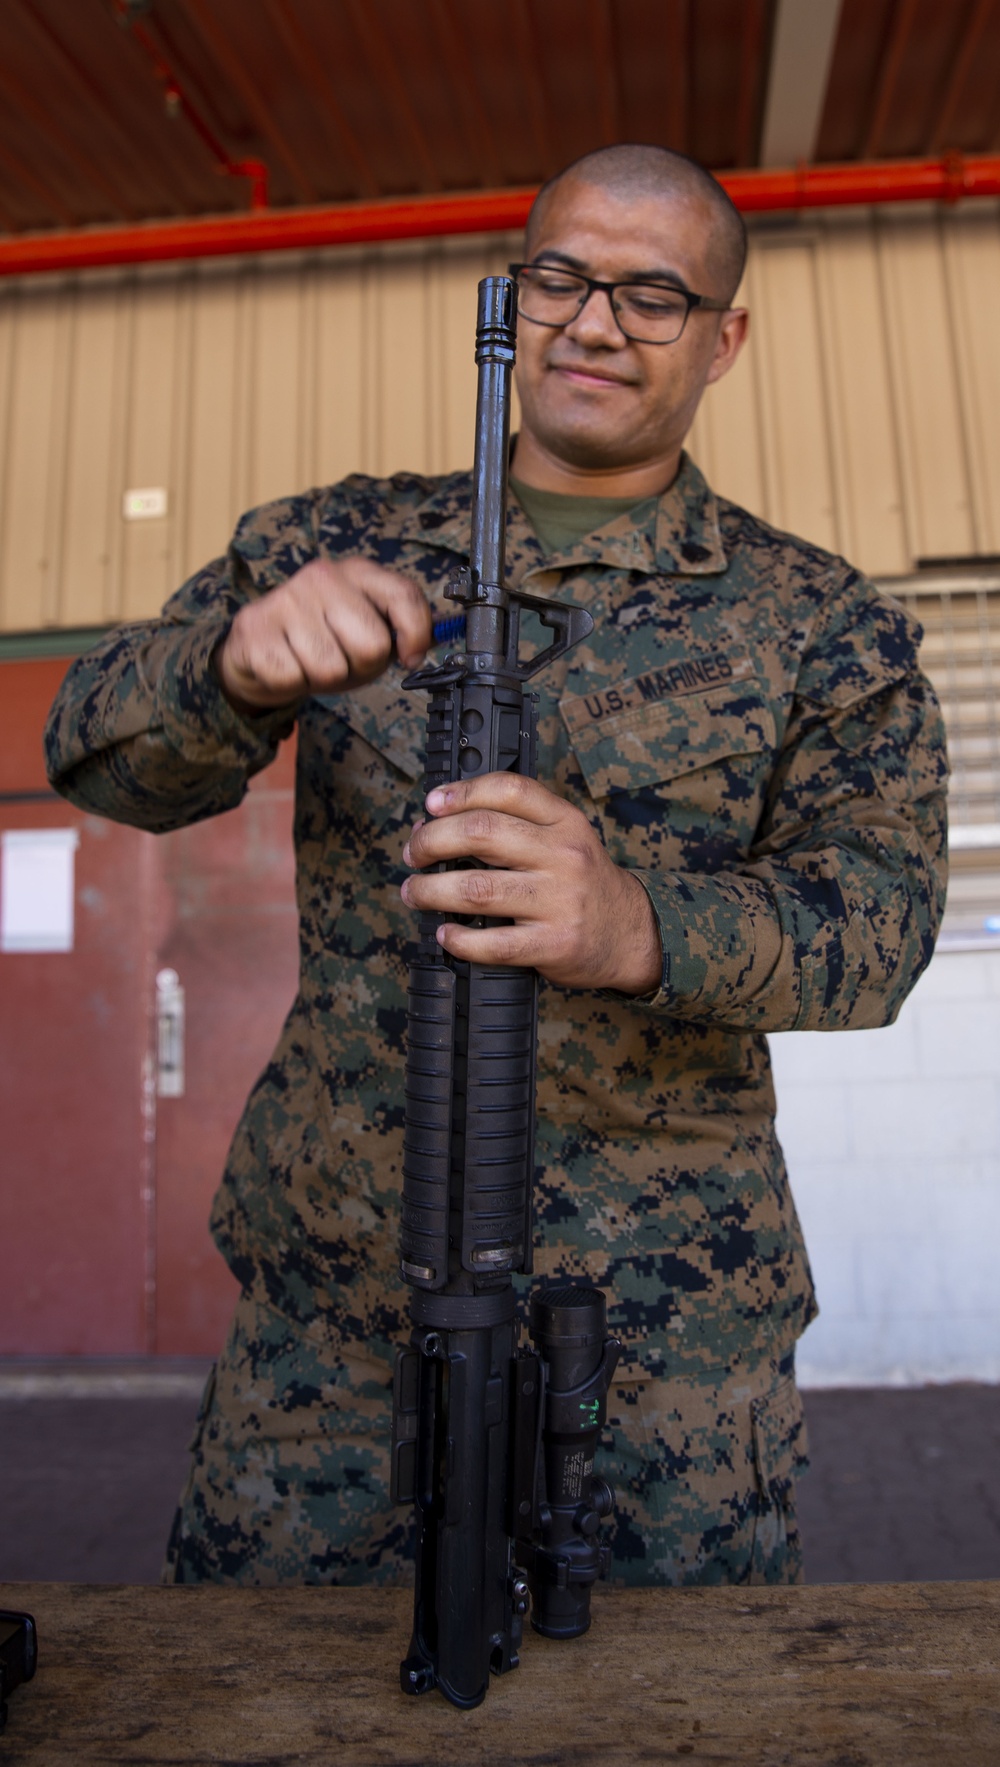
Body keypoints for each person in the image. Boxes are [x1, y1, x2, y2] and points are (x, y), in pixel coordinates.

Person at [44, 145, 948, 1590]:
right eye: (562, 278)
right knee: (251, 1706)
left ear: (727, 341)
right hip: (334, 1331)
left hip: (665, 1350)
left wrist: (638, 925)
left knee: (671, 1729)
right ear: (509, 295)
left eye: (654, 297)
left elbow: (885, 932)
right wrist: (227, 666)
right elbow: (94, 755)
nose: (595, 323)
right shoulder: (324, 546)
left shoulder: (820, 624)